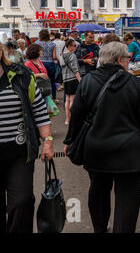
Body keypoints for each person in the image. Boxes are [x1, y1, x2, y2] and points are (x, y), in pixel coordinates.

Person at [63, 41, 140, 233]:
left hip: (97, 149)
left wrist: (70, 140)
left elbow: (77, 114)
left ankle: (100, 228)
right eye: (128, 58)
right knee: (128, 198)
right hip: (129, 151)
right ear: (119, 60)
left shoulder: (88, 81)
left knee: (98, 192)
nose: (129, 62)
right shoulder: (135, 84)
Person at [0, 43, 54, 233]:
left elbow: (39, 110)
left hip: (19, 152)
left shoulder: (21, 75)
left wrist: (47, 141)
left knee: (21, 202)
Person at [62, 39, 81, 125]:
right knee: (72, 99)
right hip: (73, 79)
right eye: (74, 45)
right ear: (69, 46)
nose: (75, 47)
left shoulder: (62, 55)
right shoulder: (72, 56)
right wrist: (80, 80)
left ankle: (67, 119)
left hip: (65, 79)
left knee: (67, 99)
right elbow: (75, 69)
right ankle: (72, 118)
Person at [35, 29, 58, 100]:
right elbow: (54, 57)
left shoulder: (37, 43)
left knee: (40, 81)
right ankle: (54, 98)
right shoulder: (53, 44)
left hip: (40, 63)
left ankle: (41, 97)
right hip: (50, 63)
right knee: (52, 82)